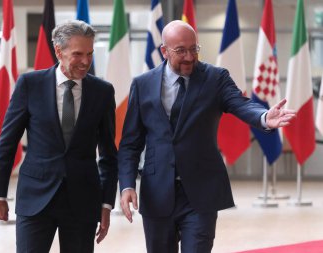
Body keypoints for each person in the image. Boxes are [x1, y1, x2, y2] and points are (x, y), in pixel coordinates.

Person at [118, 20, 296, 253]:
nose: (190, 57)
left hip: (200, 192)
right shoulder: (142, 84)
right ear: (164, 50)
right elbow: (131, 143)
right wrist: (127, 185)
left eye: (194, 49)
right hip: (157, 191)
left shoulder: (216, 78)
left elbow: (241, 104)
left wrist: (263, 117)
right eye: (181, 51)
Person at [0, 20, 118, 253]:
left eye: (89, 53)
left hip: (83, 201)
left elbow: (109, 154)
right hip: (35, 198)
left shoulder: (103, 92)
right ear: (59, 51)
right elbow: (8, 142)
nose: (86, 61)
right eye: (78, 54)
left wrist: (106, 203)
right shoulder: (30, 84)